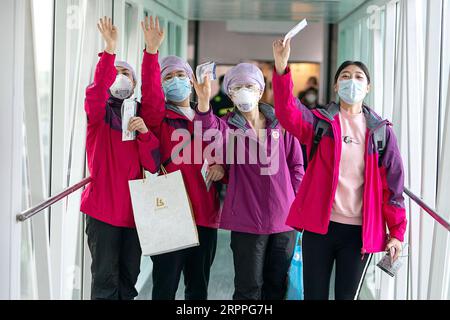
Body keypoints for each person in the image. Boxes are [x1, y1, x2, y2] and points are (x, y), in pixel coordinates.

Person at [272, 38, 407, 300]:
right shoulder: (320, 123)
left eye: (358, 77)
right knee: (314, 295)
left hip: (359, 233)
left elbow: (394, 186)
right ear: (336, 85)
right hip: (320, 228)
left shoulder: (380, 132)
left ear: (368, 87)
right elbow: (287, 113)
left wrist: (397, 233)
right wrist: (281, 67)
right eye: (345, 76)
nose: (351, 81)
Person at [194, 62, 305, 300]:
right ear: (230, 94)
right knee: (248, 288)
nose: (244, 90)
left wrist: (294, 203)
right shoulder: (228, 128)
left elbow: (297, 166)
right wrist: (204, 104)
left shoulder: (281, 125)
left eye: (249, 85)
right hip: (246, 221)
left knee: (276, 287)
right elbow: (208, 130)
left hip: (283, 222)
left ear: (260, 90)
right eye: (237, 87)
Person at [140, 16, 223, 300]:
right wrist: (151, 53)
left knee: (198, 288)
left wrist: (222, 167)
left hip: (205, 213)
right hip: (168, 213)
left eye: (181, 75)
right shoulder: (159, 118)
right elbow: (149, 97)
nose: (176, 81)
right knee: (164, 287)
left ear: (192, 80)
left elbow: (225, 152)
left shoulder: (210, 119)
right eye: (168, 77)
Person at [80, 17, 160, 300]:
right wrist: (109, 50)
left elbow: (152, 163)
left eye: (127, 73)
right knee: (104, 281)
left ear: (135, 83)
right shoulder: (99, 116)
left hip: (133, 213)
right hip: (103, 211)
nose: (121, 76)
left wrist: (145, 134)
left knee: (129, 281)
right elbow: (95, 92)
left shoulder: (140, 115)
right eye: (116, 72)